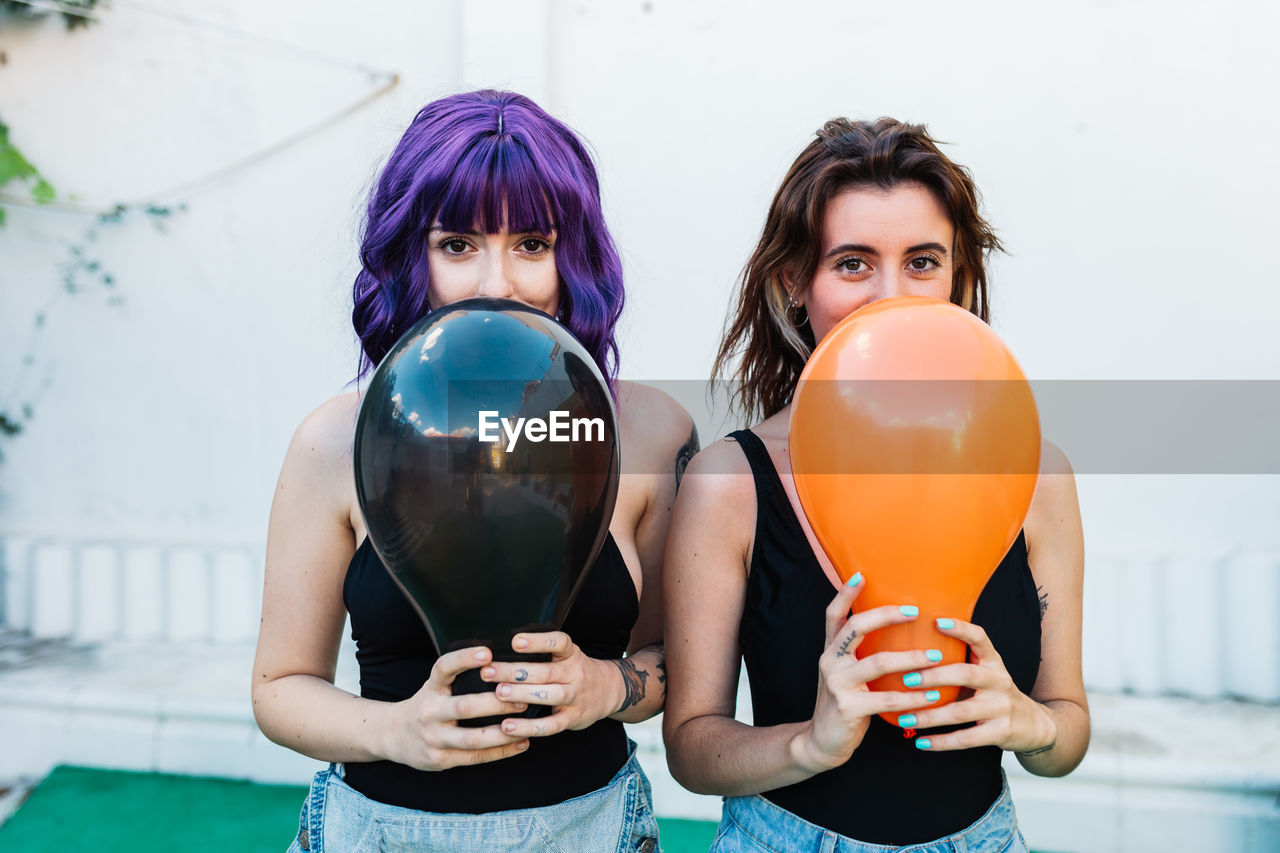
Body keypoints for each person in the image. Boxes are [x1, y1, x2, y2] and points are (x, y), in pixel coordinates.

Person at [252, 90, 696, 853]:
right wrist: (396, 729)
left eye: (532, 243)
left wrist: (605, 686)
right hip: (379, 833)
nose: (499, 282)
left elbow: (670, 666)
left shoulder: (652, 432)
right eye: (458, 243)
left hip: (590, 831)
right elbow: (279, 687)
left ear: (575, 257)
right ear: (410, 256)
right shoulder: (334, 439)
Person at [662, 117, 1088, 851]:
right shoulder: (730, 482)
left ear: (958, 275)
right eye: (853, 264)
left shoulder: (1037, 473)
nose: (892, 296)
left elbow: (1067, 731)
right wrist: (810, 741)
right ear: (795, 281)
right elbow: (692, 747)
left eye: (922, 262)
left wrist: (1031, 723)